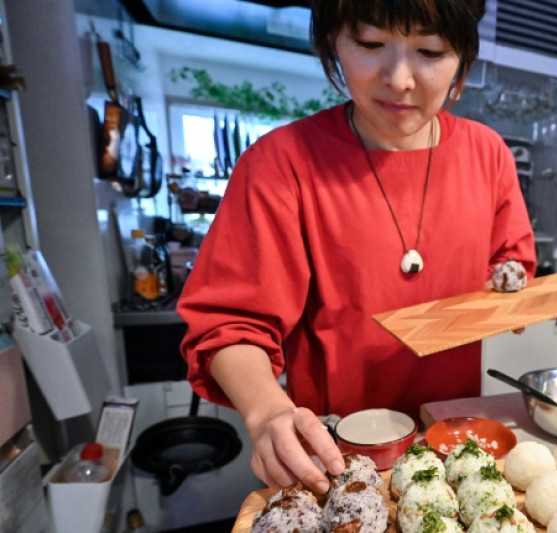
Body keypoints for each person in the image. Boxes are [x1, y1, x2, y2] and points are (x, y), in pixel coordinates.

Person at [177, 0, 536, 495]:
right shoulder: (281, 163)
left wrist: (513, 292)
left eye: (430, 52)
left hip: (456, 446)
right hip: (336, 455)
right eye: (370, 44)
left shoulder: (488, 154)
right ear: (332, 41)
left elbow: (513, 263)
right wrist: (267, 412)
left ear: (463, 61)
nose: (400, 79)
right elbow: (230, 322)